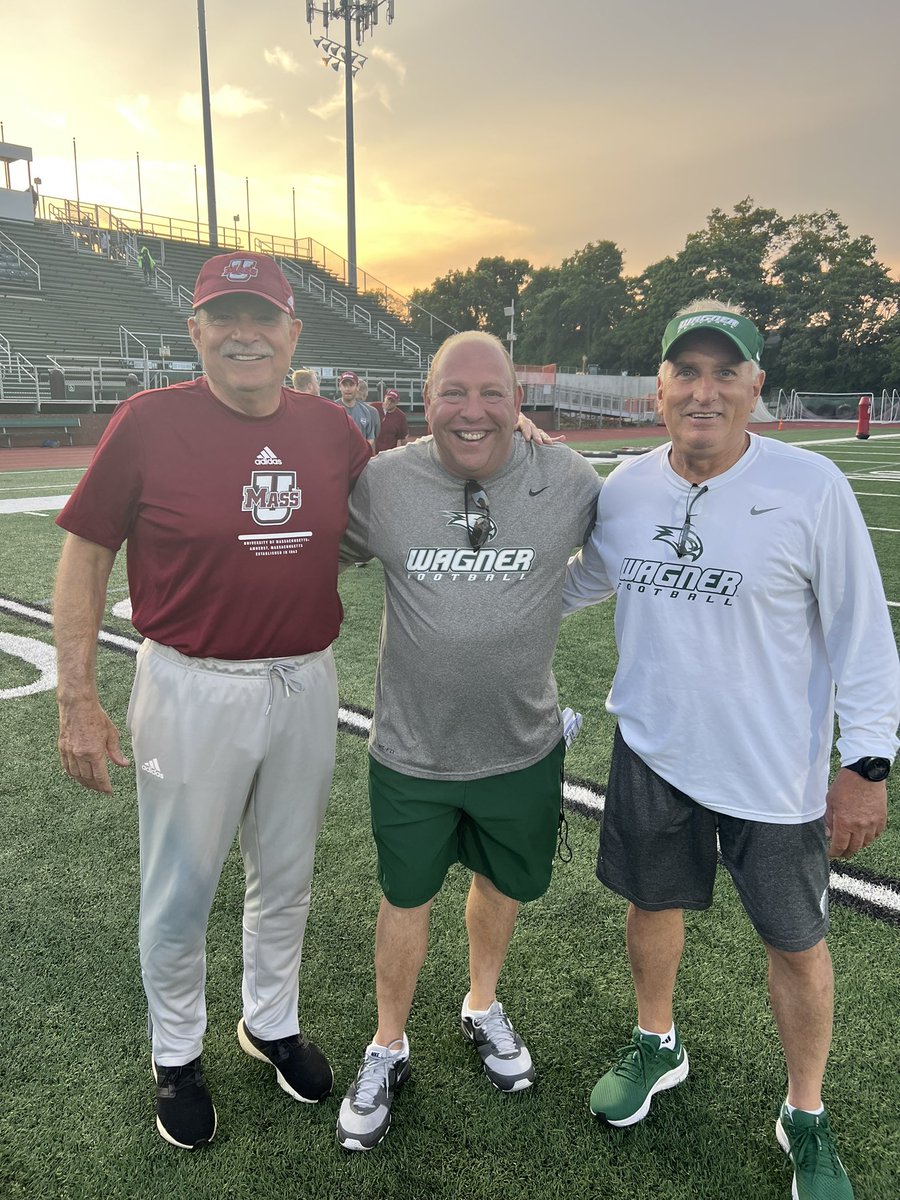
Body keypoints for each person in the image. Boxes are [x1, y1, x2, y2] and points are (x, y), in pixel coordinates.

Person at [562, 300, 900, 1200]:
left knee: (796, 943)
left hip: (775, 772)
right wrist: (477, 599)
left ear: (756, 386)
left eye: (725, 372)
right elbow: (581, 582)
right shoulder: (628, 487)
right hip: (653, 748)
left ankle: (806, 1112)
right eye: (686, 372)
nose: (703, 391)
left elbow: (866, 637)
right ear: (660, 387)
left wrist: (867, 766)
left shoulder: (811, 488)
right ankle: (656, 1043)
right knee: (650, 907)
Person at [53, 252, 372, 1151]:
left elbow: (405, 497)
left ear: (292, 334)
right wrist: (77, 697)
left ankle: (269, 1021)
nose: (245, 333)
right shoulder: (147, 423)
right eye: (224, 317)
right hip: (191, 684)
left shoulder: (330, 430)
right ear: (194, 332)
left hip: (306, 679)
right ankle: (178, 1053)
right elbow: (85, 554)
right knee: (181, 886)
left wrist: (520, 438)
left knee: (288, 875)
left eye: (262, 317)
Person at [334, 330, 602, 1152]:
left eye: (494, 393)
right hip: (412, 751)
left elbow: (636, 550)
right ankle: (388, 1043)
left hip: (520, 745)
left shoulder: (569, 477)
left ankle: (482, 1004)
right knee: (404, 897)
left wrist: (536, 610)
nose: (474, 409)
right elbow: (307, 559)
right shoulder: (383, 483)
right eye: (456, 391)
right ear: (426, 396)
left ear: (521, 403)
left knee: (499, 883)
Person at [336, 370, 378, 450]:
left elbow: (370, 437)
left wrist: (360, 450)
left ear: (357, 387)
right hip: (338, 458)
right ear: (340, 387)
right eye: (344, 385)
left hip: (359, 459)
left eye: (351, 385)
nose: (347, 389)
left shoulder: (365, 411)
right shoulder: (332, 410)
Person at [371, 387, 408, 452]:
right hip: (372, 452)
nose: (389, 403)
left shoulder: (401, 417)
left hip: (388, 454)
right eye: (388, 399)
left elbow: (403, 438)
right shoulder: (373, 407)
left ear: (397, 402)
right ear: (385, 397)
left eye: (392, 401)